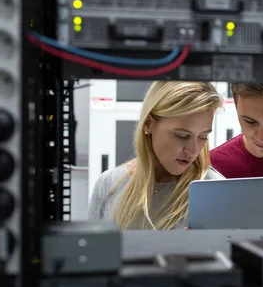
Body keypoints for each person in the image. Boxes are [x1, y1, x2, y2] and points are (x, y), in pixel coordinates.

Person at [88, 81, 224, 230]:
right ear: (148, 124)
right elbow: (94, 251)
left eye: (203, 137)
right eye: (182, 135)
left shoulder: (215, 191)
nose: (192, 151)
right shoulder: (108, 185)